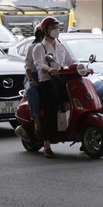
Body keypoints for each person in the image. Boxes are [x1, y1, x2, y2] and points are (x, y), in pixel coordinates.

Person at [30, 17, 76, 158]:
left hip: (62, 81)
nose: (56, 30)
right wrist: (49, 69)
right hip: (47, 82)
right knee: (52, 108)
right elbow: (38, 64)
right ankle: (47, 144)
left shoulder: (61, 46)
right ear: (45, 30)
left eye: (57, 27)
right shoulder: (39, 47)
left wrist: (81, 67)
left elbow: (71, 61)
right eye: (52, 28)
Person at [23, 24, 44, 126]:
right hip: (33, 75)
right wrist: (31, 80)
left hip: (46, 75)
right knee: (32, 91)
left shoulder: (54, 45)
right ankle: (35, 118)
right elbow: (28, 67)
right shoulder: (32, 47)